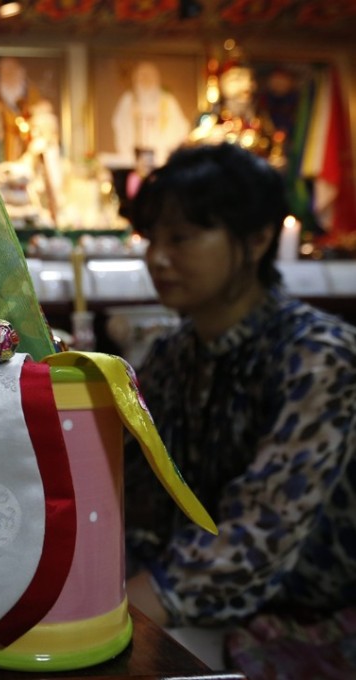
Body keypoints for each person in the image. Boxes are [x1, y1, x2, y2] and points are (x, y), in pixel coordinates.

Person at [124, 142, 356, 671]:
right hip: (192, 602)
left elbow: (259, 533)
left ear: (256, 239)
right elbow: (134, 482)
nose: (157, 258)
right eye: (151, 238)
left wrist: (120, 608)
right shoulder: (176, 353)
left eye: (181, 237)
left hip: (311, 618)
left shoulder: (318, 356)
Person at [111, 60, 190, 168]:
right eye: (142, 76)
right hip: (133, 159)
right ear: (135, 79)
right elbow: (119, 124)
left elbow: (181, 127)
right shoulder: (128, 100)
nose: (146, 79)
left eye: (149, 76)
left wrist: (165, 149)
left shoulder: (168, 101)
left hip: (162, 160)